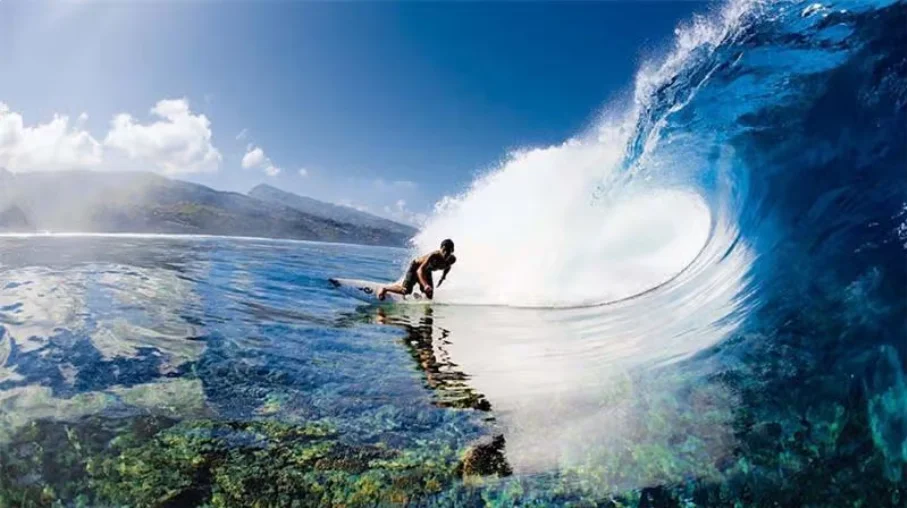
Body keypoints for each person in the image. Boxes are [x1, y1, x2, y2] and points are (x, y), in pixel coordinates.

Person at [378, 239, 456, 300]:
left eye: (448, 252)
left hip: (427, 271)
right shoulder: (434, 255)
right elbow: (419, 270)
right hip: (416, 267)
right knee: (406, 291)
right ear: (441, 248)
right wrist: (425, 285)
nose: (445, 254)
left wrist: (443, 277)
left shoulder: (451, 260)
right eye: (444, 250)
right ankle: (385, 289)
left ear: (452, 251)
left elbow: (447, 267)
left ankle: (419, 296)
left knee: (429, 296)